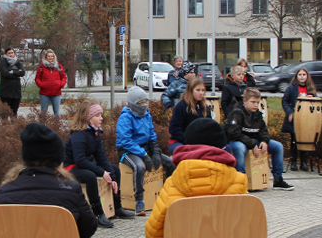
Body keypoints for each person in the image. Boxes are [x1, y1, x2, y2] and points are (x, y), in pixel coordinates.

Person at [64, 101, 135, 228]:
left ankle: (117, 207)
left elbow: (101, 158)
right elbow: (79, 160)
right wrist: (101, 172)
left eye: (101, 115)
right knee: (90, 176)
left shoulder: (95, 133)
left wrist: (112, 178)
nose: (101, 118)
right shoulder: (79, 135)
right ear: (88, 118)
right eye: (97, 115)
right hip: (70, 166)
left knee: (115, 169)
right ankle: (97, 213)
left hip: (84, 163)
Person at [116, 86, 175, 215]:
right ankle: (139, 201)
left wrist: (156, 151)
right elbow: (126, 140)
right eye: (140, 103)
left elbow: (152, 135)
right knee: (139, 167)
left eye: (145, 102)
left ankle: (170, 194)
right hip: (128, 150)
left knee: (170, 163)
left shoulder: (146, 114)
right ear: (133, 103)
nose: (144, 105)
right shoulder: (125, 117)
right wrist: (144, 155)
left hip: (145, 148)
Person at [225, 88, 293, 190]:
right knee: (240, 148)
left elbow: (263, 130)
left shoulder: (257, 114)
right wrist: (252, 144)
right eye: (253, 102)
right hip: (237, 141)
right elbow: (233, 132)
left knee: (278, 146)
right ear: (245, 101)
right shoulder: (236, 113)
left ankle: (278, 179)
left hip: (253, 141)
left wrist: (264, 141)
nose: (256, 105)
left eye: (257, 102)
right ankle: (241, 182)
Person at [281, 67, 318, 172]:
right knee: (294, 140)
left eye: (304, 75)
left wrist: (313, 98)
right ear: (297, 76)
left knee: (305, 139)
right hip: (295, 118)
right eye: (300, 75)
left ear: (307, 76)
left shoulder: (310, 89)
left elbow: (317, 103)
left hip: (307, 119)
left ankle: (304, 162)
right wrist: (289, 112)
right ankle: (293, 161)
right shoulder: (291, 88)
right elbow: (285, 101)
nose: (302, 77)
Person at [168, 77, 212, 155]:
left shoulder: (205, 108)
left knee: (225, 149)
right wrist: (189, 141)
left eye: (203, 90)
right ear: (190, 91)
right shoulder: (181, 106)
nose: (201, 93)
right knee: (186, 153)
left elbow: (210, 127)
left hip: (200, 143)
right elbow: (174, 129)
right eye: (198, 90)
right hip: (180, 141)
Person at [35, 49, 67, 118]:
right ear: (46, 57)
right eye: (49, 56)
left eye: (51, 56)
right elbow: (37, 78)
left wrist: (61, 84)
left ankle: (57, 126)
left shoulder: (59, 66)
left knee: (57, 112)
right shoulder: (41, 67)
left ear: (54, 57)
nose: (50, 57)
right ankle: (42, 127)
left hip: (56, 92)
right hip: (44, 93)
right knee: (43, 112)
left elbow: (64, 77)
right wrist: (41, 85)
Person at [0, 47, 25, 115]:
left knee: (14, 111)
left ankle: (14, 124)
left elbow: (22, 73)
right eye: (9, 53)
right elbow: (5, 73)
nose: (11, 54)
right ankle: (5, 124)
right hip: (6, 91)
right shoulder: (3, 62)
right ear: (6, 54)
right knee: (6, 111)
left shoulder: (17, 62)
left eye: (12, 53)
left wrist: (12, 72)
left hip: (16, 91)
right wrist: (17, 72)